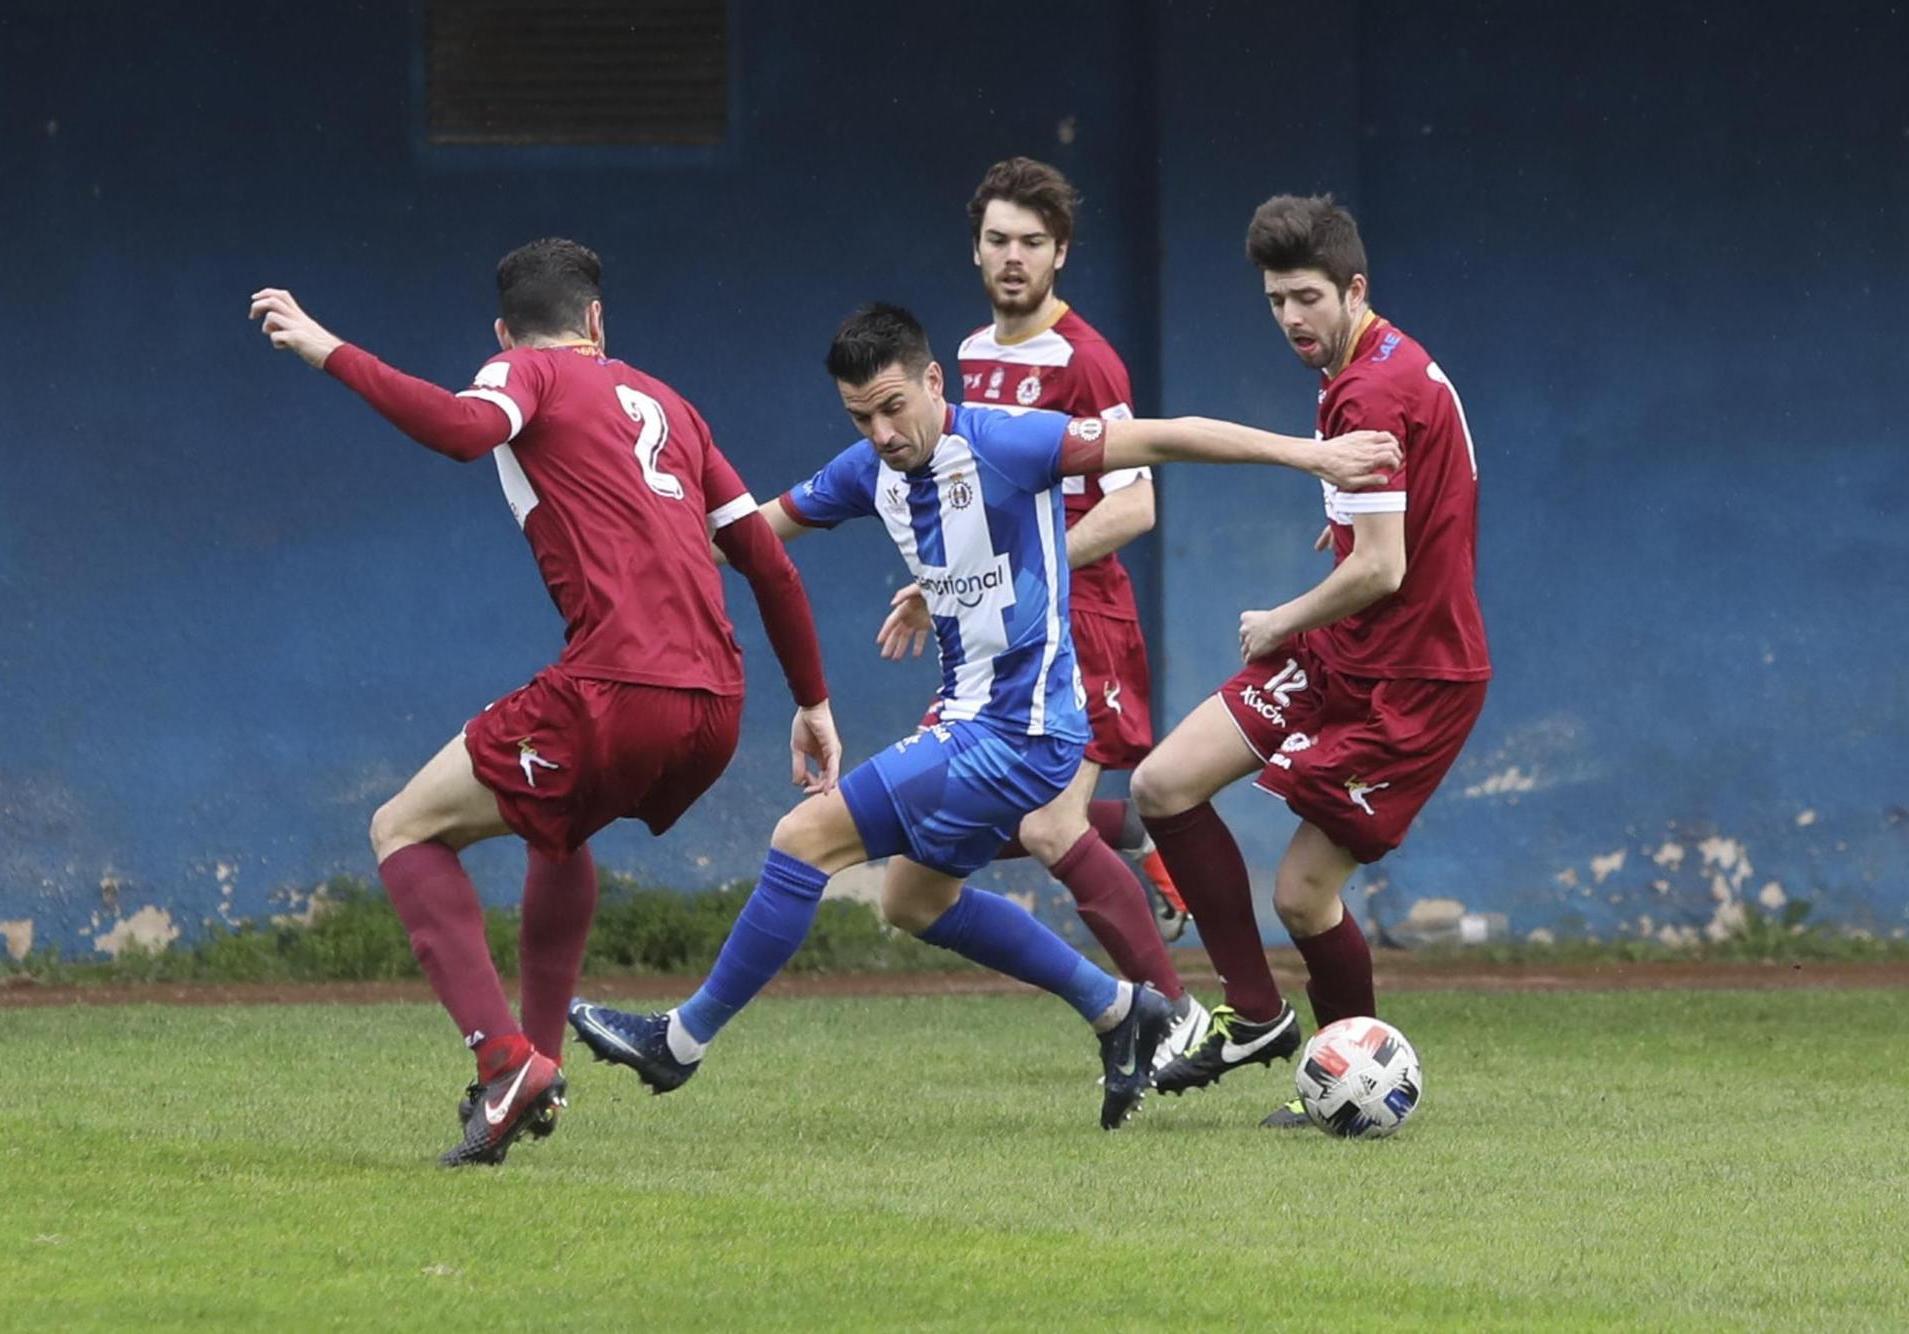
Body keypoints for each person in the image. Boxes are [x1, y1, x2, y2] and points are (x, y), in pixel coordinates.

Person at [570, 302, 1400, 1131]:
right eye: (862, 416)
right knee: (913, 901)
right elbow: (750, 536)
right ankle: (1123, 1012)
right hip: (974, 721)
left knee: (802, 838)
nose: (884, 432)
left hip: (1016, 731)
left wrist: (1312, 455)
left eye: (895, 407)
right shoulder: (868, 470)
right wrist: (636, 514)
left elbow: (1169, 435)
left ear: (935, 381)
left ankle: (678, 1043)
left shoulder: (1008, 442)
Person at [249, 238, 840, 1166]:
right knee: (557, 830)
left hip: (621, 686)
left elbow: (460, 429)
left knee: (401, 829)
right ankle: (542, 1074)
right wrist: (813, 702)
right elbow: (769, 562)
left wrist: (326, 346)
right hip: (718, 705)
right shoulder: (673, 406)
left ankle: (502, 1064)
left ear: (506, 331)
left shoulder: (525, 371)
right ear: (598, 321)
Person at [1129, 195, 1490, 1127]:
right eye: (1275, 300)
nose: (1291, 317)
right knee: (1164, 786)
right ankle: (1254, 1015)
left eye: (1306, 297)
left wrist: (1281, 618)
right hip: (1343, 654)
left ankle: (1358, 1088)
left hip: (1410, 680)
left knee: (1300, 893)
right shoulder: (1367, 367)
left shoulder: (1372, 390)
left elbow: (1383, 567)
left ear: (1353, 289)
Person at [874, 158, 1207, 1070]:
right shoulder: (969, 359)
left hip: (1082, 625)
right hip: (995, 636)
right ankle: (1130, 836)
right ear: (974, 249)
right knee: (955, 842)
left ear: (1060, 252)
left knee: (1047, 827)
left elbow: (1135, 506)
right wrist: (944, 579)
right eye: (997, 241)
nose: (1012, 258)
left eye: (1031, 242)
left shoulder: (1085, 358)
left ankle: (1177, 1025)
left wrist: (1027, 569)